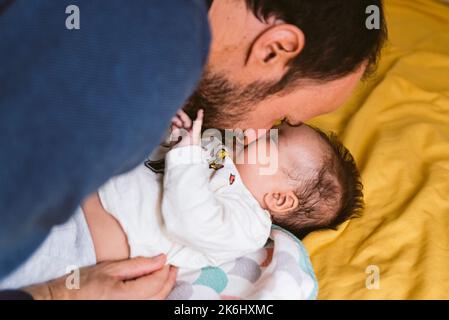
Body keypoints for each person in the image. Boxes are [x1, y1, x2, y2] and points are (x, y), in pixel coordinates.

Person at [0, 0, 386, 299]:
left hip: (79, 243)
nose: (255, 135)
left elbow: (193, 215)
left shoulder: (248, 225)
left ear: (280, 198)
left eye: (274, 130)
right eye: (277, 122)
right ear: (274, 49)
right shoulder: (152, 72)